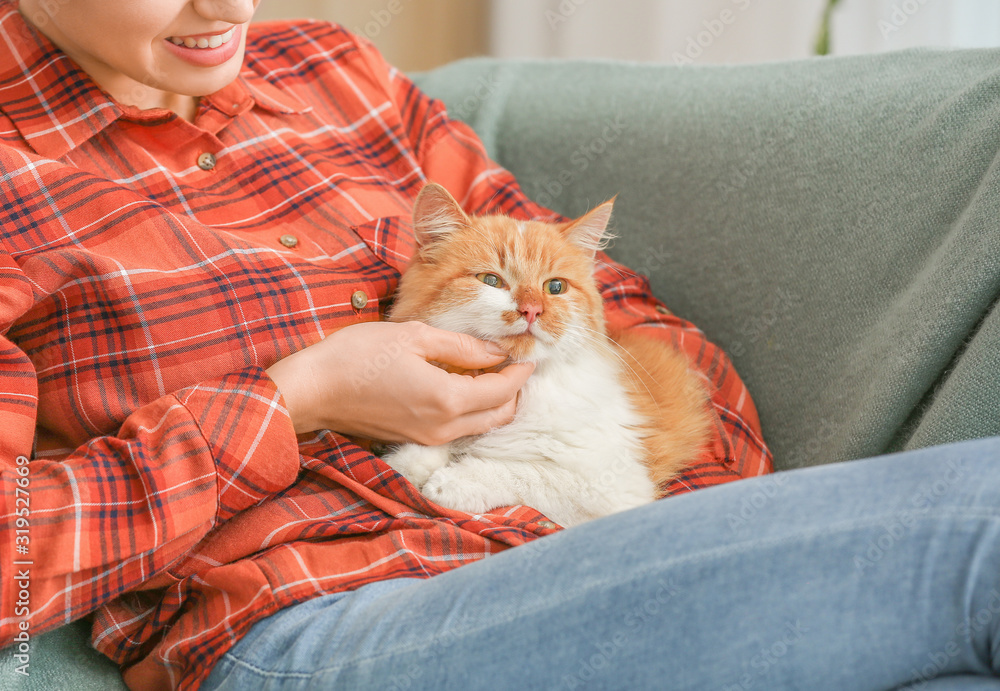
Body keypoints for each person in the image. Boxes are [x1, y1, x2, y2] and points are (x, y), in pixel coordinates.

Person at [0, 1, 998, 689]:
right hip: (316, 620)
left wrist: (686, 520)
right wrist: (298, 397)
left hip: (575, 544)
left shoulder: (331, 73)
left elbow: (599, 295)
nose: (228, 8)